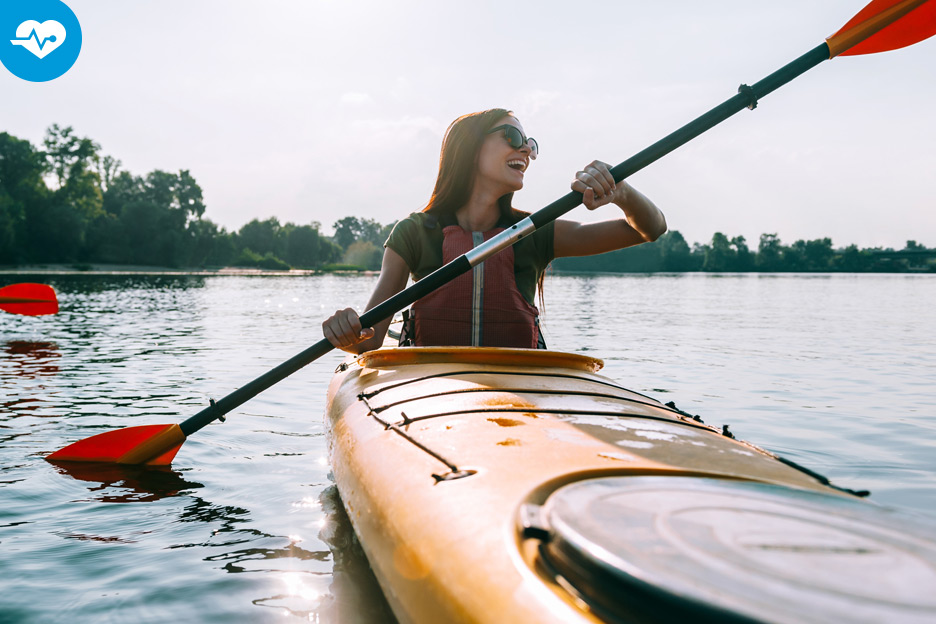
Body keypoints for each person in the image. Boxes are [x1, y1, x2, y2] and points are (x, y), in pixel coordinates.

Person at [322, 108, 666, 353]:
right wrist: (346, 331)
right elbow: (370, 339)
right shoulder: (412, 233)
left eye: (530, 143)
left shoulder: (536, 231)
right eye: (512, 137)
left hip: (518, 391)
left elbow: (648, 229)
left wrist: (622, 193)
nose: (526, 150)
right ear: (468, 150)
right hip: (430, 388)